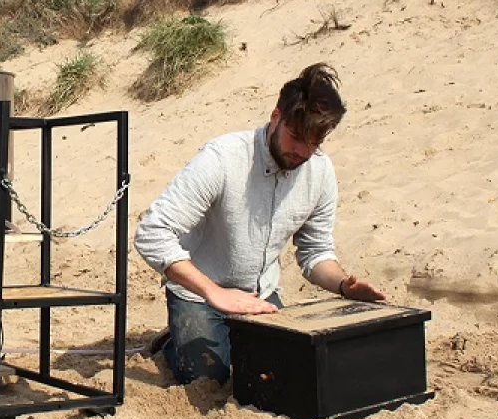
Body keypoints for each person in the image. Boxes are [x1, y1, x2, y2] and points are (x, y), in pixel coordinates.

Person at [134, 63, 385, 385]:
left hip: (261, 296)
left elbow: (315, 252)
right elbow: (153, 232)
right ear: (276, 117)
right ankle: (172, 342)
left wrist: (341, 284)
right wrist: (213, 292)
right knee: (210, 377)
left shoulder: (320, 172)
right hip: (198, 295)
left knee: (277, 376)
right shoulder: (223, 157)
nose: (302, 152)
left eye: (313, 143)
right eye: (295, 137)